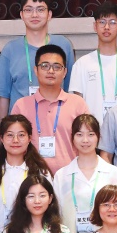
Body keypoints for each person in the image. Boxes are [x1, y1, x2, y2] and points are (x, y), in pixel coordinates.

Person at [0, 0, 74, 114]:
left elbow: (70, 90)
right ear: (21, 15)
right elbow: (3, 95)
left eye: (40, 10)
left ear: (49, 15)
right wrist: (3, 126)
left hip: (56, 119)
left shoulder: (63, 45)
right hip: (20, 122)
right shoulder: (10, 50)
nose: (34, 15)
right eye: (29, 10)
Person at [10, 45, 86, 175]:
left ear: (65, 72)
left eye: (57, 67)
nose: (51, 71)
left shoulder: (78, 104)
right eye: (45, 66)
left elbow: (86, 144)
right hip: (31, 178)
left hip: (70, 177)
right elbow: (13, 146)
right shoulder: (21, 106)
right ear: (36, 70)